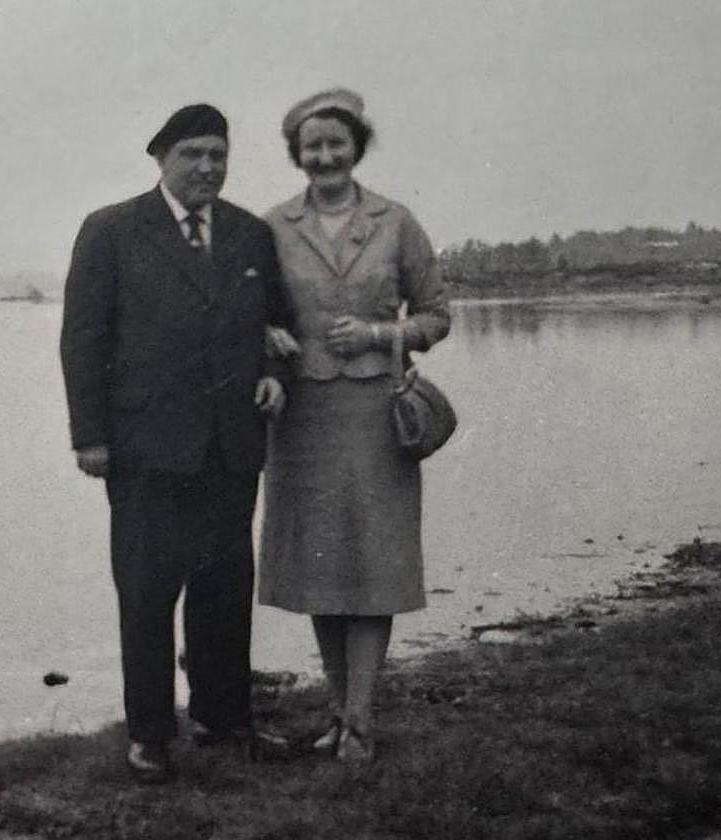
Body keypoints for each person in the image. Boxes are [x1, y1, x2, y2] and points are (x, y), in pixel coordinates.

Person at [59, 103, 288, 783]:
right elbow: (83, 341)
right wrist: (90, 436)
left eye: (218, 154)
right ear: (160, 157)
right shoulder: (111, 231)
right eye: (193, 154)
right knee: (146, 593)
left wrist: (275, 374)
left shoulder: (250, 233)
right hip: (143, 450)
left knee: (224, 587)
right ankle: (151, 734)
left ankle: (225, 721)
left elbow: (276, 324)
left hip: (230, 447)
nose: (208, 168)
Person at [258, 89, 451, 762]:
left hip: (376, 417)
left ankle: (361, 721)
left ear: (357, 146)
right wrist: (267, 332)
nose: (324, 155)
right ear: (297, 155)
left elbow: (436, 314)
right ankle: (337, 713)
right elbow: (249, 309)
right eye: (312, 145)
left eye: (336, 143)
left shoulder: (395, 222)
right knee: (319, 567)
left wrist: (376, 331)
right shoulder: (272, 226)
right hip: (302, 417)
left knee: (374, 564)